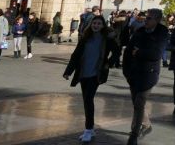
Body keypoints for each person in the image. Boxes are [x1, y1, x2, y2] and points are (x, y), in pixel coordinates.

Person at [63, 15, 115, 143]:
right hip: (83, 73)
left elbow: (117, 51)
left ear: (103, 25)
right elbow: (75, 55)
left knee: (88, 99)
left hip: (96, 74)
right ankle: (90, 129)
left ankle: (88, 129)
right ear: (91, 25)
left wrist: (109, 63)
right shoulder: (85, 38)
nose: (96, 25)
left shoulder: (106, 39)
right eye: (94, 23)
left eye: (99, 24)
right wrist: (68, 71)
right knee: (86, 100)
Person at [123, 8, 169, 145]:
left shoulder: (162, 33)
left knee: (139, 102)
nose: (146, 20)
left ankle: (134, 134)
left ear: (157, 20)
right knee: (137, 104)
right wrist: (126, 71)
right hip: (134, 73)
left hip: (149, 74)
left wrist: (139, 53)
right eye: (145, 18)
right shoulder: (140, 32)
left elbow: (156, 54)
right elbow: (128, 51)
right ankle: (147, 125)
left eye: (149, 18)